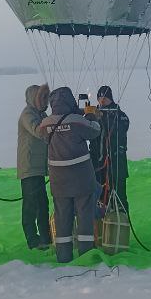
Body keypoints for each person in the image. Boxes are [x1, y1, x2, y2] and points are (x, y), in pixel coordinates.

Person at [35, 86, 101, 263]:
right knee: (84, 216)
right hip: (81, 179)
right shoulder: (77, 120)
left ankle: (63, 256)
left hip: (59, 181)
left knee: (62, 217)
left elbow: (43, 134)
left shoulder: (45, 123)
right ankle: (86, 256)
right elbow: (94, 131)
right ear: (70, 101)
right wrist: (91, 115)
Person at [17, 84, 51, 249]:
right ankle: (32, 239)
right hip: (29, 168)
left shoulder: (41, 114)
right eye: (42, 98)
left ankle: (46, 238)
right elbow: (39, 131)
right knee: (31, 205)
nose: (45, 101)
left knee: (43, 204)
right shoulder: (28, 114)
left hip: (39, 167)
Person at [91, 85, 130, 213]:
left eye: (105, 98)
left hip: (116, 163)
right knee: (100, 197)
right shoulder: (94, 116)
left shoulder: (120, 115)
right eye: (100, 98)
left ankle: (122, 225)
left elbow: (122, 128)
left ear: (110, 99)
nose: (102, 101)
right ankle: (103, 226)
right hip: (99, 163)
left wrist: (105, 117)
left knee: (119, 195)